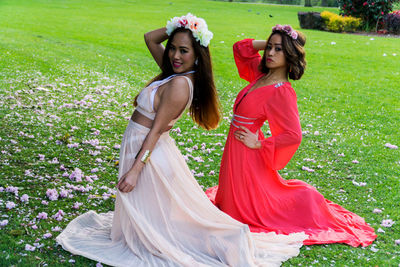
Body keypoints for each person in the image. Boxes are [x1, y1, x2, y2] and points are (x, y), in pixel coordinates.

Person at [56, 16, 307, 266]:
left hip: (148, 154)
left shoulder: (179, 84)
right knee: (148, 217)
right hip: (144, 148)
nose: (175, 55)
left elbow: (154, 133)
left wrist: (135, 170)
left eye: (183, 50)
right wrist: (180, 27)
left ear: (196, 55)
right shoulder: (174, 72)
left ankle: (227, 239)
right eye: (173, 48)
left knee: (157, 229)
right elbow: (150, 39)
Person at [206, 24, 377, 247]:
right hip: (236, 149)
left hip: (247, 152)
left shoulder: (282, 91)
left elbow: (293, 135)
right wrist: (275, 39)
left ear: (290, 55)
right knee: (229, 202)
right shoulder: (260, 75)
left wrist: (258, 143)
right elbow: (240, 48)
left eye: (278, 50)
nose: (269, 53)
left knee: (246, 208)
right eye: (269, 48)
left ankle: (306, 202)